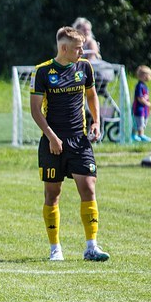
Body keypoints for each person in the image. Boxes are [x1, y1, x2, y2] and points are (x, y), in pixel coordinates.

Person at [29, 26, 109, 263]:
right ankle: (55, 249)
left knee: (89, 187)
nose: (82, 52)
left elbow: (91, 95)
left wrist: (96, 122)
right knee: (53, 194)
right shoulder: (42, 72)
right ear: (64, 48)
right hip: (52, 141)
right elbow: (35, 110)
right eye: (78, 48)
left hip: (79, 140)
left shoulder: (85, 67)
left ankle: (91, 247)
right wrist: (52, 137)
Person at [131, 65, 151, 142]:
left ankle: (137, 135)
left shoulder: (144, 85)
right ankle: (140, 135)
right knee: (139, 122)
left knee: (143, 121)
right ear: (144, 76)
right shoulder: (139, 86)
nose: (150, 77)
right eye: (149, 75)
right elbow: (139, 98)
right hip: (139, 109)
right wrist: (146, 103)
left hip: (144, 109)